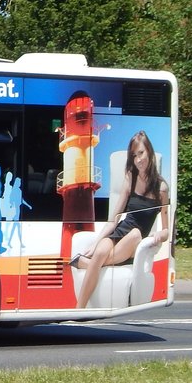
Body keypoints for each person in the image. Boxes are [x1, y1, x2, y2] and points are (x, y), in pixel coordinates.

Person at [71, 130, 170, 308]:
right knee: (100, 251)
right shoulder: (130, 178)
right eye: (134, 155)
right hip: (120, 233)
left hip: (135, 241)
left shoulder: (161, 188)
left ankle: (87, 264)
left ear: (149, 151)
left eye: (141, 153)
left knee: (135, 233)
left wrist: (159, 236)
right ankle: (79, 309)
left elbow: (166, 229)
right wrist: (96, 242)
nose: (138, 159)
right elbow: (114, 219)